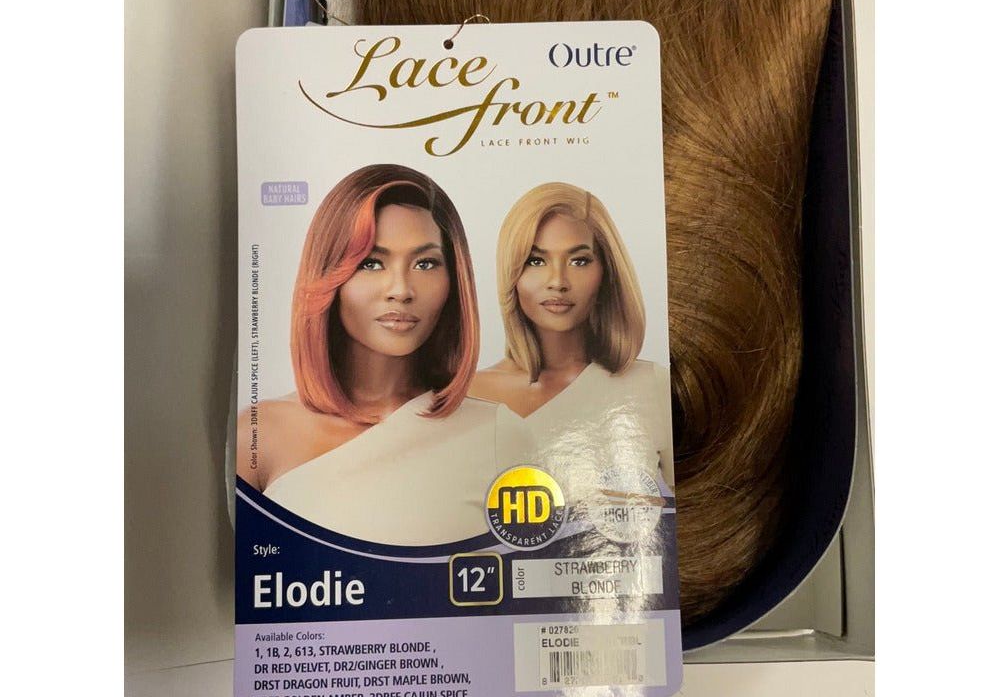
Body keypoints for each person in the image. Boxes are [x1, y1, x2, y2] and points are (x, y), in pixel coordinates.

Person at [237, 164, 525, 546]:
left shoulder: (498, 435)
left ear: (453, 280)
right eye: (371, 263)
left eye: (425, 264)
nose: (401, 290)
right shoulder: (258, 435)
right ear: (328, 275)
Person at [470, 182, 673, 515]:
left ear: (607, 272)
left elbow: (695, 510)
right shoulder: (467, 395)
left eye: (579, 261)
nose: (558, 281)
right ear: (512, 273)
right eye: (536, 260)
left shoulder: (649, 385)